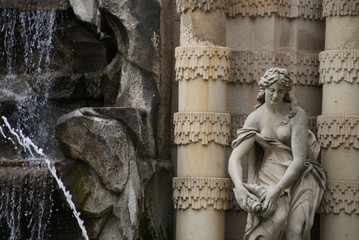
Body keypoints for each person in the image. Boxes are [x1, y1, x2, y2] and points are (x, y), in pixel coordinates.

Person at [228, 68, 326, 240]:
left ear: (286, 91)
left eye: (280, 91)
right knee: (276, 218)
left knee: (294, 231)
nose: (275, 95)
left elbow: (299, 160)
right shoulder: (255, 118)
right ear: (264, 88)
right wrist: (240, 187)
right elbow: (235, 157)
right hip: (270, 173)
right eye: (271, 90)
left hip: (299, 175)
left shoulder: (296, 115)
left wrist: (277, 191)